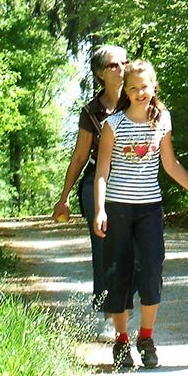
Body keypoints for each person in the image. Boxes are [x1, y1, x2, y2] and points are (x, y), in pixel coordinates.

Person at [93, 59, 188, 370]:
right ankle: (121, 340)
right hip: (118, 209)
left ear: (154, 87)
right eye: (133, 87)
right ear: (125, 89)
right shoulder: (113, 125)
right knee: (119, 274)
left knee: (151, 271)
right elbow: (102, 171)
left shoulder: (162, 120)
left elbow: (171, 164)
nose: (139, 93)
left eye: (144, 87)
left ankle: (146, 337)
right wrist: (99, 209)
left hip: (150, 208)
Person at [51, 45, 129, 340]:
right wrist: (64, 197)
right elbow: (80, 156)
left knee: (136, 253)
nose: (121, 68)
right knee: (104, 250)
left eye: (125, 62)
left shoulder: (138, 98)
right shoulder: (91, 112)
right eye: (113, 65)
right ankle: (110, 313)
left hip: (133, 184)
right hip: (96, 183)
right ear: (99, 73)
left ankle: (123, 306)